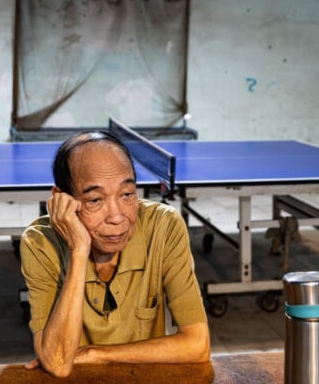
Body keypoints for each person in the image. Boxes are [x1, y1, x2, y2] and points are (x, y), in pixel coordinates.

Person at [19, 131, 210, 378]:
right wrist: (79, 250)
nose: (117, 217)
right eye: (95, 200)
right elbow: (58, 363)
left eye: (127, 194)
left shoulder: (164, 227)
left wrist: (96, 353)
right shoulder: (39, 244)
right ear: (62, 200)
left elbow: (197, 345)